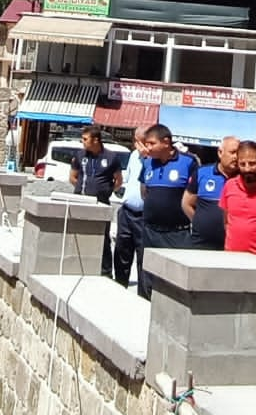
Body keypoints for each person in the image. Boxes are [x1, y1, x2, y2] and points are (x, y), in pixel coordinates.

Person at [134, 125, 202, 298]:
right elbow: (144, 191)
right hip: (149, 232)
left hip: (177, 235)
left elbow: (195, 197)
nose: (147, 148)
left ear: (166, 142)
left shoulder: (188, 162)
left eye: (151, 143)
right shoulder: (148, 162)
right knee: (146, 279)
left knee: (174, 283)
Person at [70, 127, 129, 277]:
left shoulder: (111, 157)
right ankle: (77, 265)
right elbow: (73, 177)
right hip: (81, 201)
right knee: (78, 234)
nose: (82, 142)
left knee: (103, 238)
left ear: (96, 140)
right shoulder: (80, 155)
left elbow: (118, 180)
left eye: (85, 139)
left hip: (101, 204)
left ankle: (105, 272)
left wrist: (106, 191)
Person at [112, 131, 149, 288]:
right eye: (136, 141)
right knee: (121, 253)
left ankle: (143, 294)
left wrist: (147, 158)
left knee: (142, 258)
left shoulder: (155, 160)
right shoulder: (134, 155)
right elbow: (127, 177)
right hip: (127, 211)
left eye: (140, 142)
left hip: (143, 216)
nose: (137, 145)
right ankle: (120, 287)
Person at [192, 138, 239, 250]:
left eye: (238, 153)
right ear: (220, 152)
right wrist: (200, 224)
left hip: (231, 245)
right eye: (232, 152)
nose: (236, 157)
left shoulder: (243, 179)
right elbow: (187, 203)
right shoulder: (202, 173)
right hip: (201, 244)